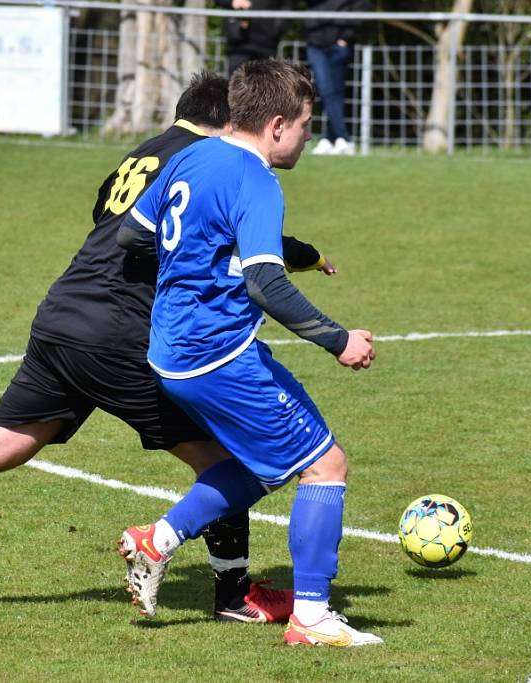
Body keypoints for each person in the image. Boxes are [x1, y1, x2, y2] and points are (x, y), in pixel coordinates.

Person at [0, 71, 336, 624]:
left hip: (64, 316)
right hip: (121, 335)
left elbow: (116, 224)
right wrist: (301, 255)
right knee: (229, 458)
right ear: (222, 123)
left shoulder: (145, 155)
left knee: (7, 441)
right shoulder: (210, 158)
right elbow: (217, 234)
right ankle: (234, 597)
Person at [116, 59, 382, 646]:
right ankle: (311, 618)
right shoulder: (256, 179)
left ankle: (155, 540)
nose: (310, 136)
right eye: (308, 125)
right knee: (325, 464)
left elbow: (131, 234)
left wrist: (201, 261)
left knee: (261, 466)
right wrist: (340, 340)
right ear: (279, 123)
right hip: (219, 356)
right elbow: (266, 283)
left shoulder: (190, 155)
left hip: (170, 352)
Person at [305, 0, 367, 156]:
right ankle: (337, 138)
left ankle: (337, 138)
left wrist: (346, 37)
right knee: (327, 91)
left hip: (339, 44)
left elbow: (360, 9)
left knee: (334, 92)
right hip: (316, 43)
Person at [214, 0, 293, 75]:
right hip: (239, 45)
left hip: (267, 44)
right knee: (237, 83)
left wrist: (277, 29)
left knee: (266, 83)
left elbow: (288, 6)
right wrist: (232, 1)